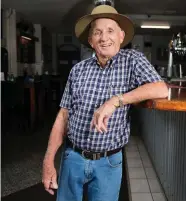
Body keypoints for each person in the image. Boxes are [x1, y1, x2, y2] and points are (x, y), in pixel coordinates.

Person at [42, 5, 168, 201]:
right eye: (97, 33)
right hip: (72, 157)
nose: (104, 37)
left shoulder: (132, 60)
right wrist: (48, 162)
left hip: (108, 162)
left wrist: (116, 100)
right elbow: (63, 116)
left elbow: (161, 88)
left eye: (110, 31)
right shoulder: (78, 70)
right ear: (91, 41)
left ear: (121, 35)